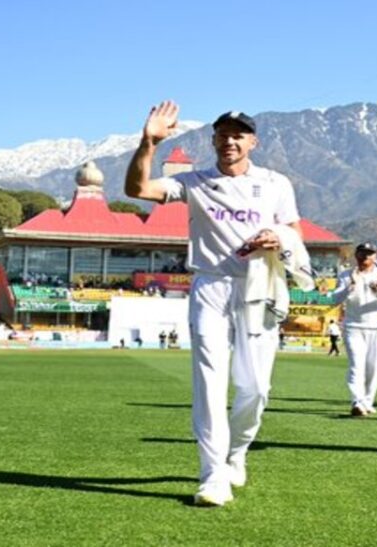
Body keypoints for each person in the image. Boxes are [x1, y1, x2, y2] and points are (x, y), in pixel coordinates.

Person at [126, 101, 306, 507]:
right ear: (213, 140)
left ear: (253, 142)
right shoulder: (195, 181)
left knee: (255, 387)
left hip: (260, 286)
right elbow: (138, 190)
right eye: (223, 133)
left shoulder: (276, 183)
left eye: (238, 134)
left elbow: (294, 232)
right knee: (209, 382)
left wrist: (279, 238)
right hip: (211, 285)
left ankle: (237, 452)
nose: (230, 140)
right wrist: (148, 144)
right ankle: (211, 475)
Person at [332, 242, 377, 416]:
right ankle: (357, 401)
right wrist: (349, 288)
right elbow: (335, 298)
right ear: (356, 255)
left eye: (369, 254)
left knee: (373, 367)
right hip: (354, 326)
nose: (365, 257)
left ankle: (368, 401)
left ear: (375, 257)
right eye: (362, 253)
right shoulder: (347, 275)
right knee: (357, 365)